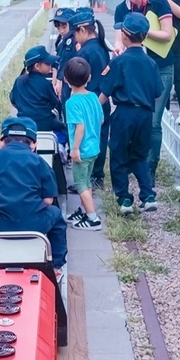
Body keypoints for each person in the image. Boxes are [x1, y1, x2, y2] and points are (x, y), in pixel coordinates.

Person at [0, 116, 67, 269]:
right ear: (34, 144)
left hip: (0, 225)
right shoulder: (39, 162)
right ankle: (56, 265)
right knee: (56, 215)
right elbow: (48, 201)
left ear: (2, 141)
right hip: (36, 225)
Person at [113, 0, 174, 183]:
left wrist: (141, 32)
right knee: (137, 116)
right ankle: (135, 162)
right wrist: (119, 46)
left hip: (161, 65)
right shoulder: (122, 9)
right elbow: (119, 36)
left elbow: (167, 33)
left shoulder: (158, 2)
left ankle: (150, 168)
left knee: (154, 120)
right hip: (134, 69)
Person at [99, 13, 163, 215]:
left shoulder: (118, 62)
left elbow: (104, 93)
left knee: (118, 155)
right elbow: (157, 92)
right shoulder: (151, 64)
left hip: (124, 113)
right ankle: (148, 195)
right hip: (145, 115)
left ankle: (125, 200)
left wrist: (93, 112)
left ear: (125, 36)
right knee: (139, 156)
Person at [72, 7, 111, 187]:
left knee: (88, 139)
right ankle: (95, 176)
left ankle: (90, 178)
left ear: (82, 30)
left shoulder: (86, 52)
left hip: (89, 100)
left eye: (75, 33)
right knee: (99, 137)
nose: (74, 38)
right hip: (101, 100)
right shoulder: (101, 47)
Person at [64, 56, 104, 231]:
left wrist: (74, 149)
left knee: (80, 184)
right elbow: (101, 119)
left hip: (81, 151)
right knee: (86, 181)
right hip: (94, 148)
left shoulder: (72, 103)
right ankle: (83, 210)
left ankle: (92, 218)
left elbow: (79, 127)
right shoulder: (94, 96)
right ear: (89, 78)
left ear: (65, 79)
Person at [9, 45, 65, 133]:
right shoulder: (45, 83)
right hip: (45, 124)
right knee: (64, 129)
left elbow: (13, 100)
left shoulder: (18, 81)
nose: (50, 65)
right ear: (37, 66)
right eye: (47, 63)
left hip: (24, 124)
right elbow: (55, 103)